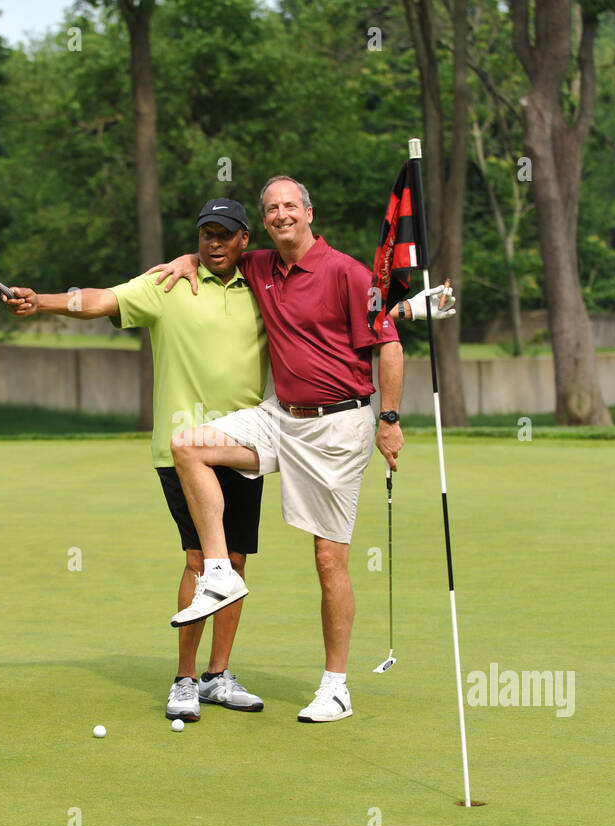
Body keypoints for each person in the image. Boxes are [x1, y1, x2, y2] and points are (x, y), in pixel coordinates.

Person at [153, 175, 449, 723]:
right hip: (280, 416)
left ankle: (336, 686)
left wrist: (389, 420)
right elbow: (216, 252)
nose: (281, 214)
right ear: (262, 223)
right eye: (271, 209)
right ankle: (218, 570)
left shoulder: (347, 272)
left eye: (291, 205)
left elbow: (388, 343)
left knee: (328, 557)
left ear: (310, 212)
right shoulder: (260, 266)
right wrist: (184, 260)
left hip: (338, 428)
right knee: (188, 444)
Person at [2, 199, 270, 723]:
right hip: (182, 446)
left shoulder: (262, 285)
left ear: (243, 240)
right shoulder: (167, 285)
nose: (213, 242)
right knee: (201, 561)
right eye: (205, 234)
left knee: (234, 563)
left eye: (224, 234)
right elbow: (99, 300)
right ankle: (185, 680)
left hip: (244, 444)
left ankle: (218, 676)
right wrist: (44, 303)